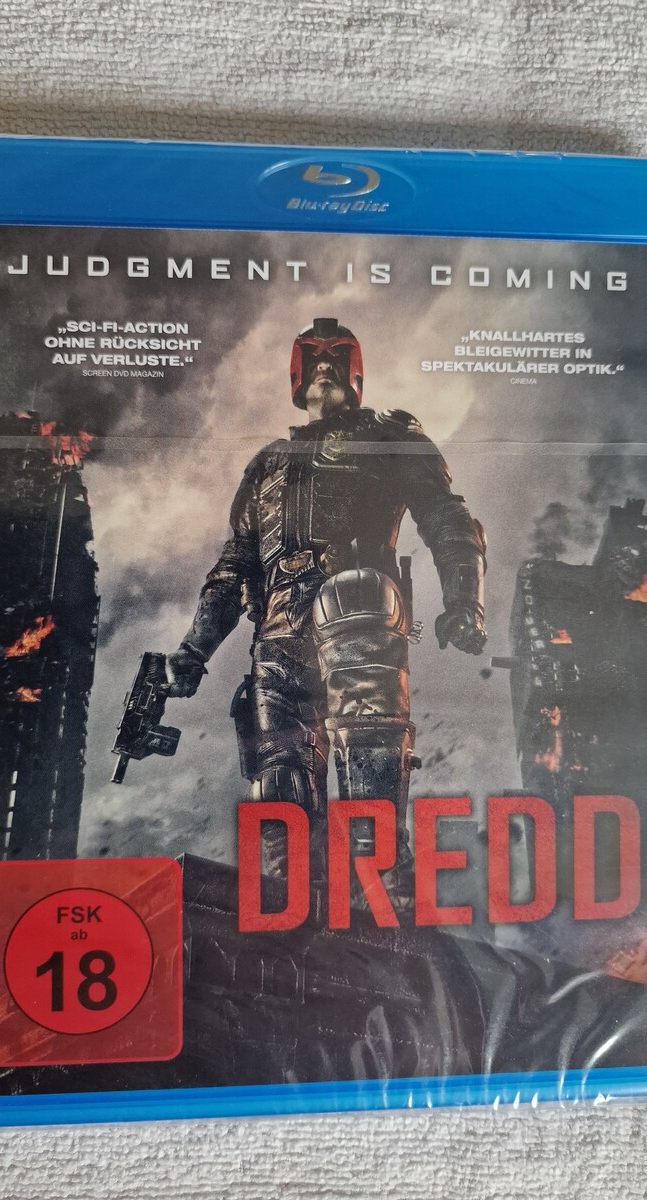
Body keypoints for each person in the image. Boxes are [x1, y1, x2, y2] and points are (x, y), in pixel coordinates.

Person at [166, 317, 487, 884]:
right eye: (312, 356)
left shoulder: (388, 436)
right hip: (278, 644)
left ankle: (382, 918)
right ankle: (298, 926)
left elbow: (448, 518)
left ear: (355, 371)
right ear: (296, 373)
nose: (323, 365)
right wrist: (193, 651)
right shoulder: (267, 463)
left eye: (336, 356)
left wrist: (464, 602)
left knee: (371, 810)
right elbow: (234, 566)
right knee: (281, 814)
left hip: (357, 620)